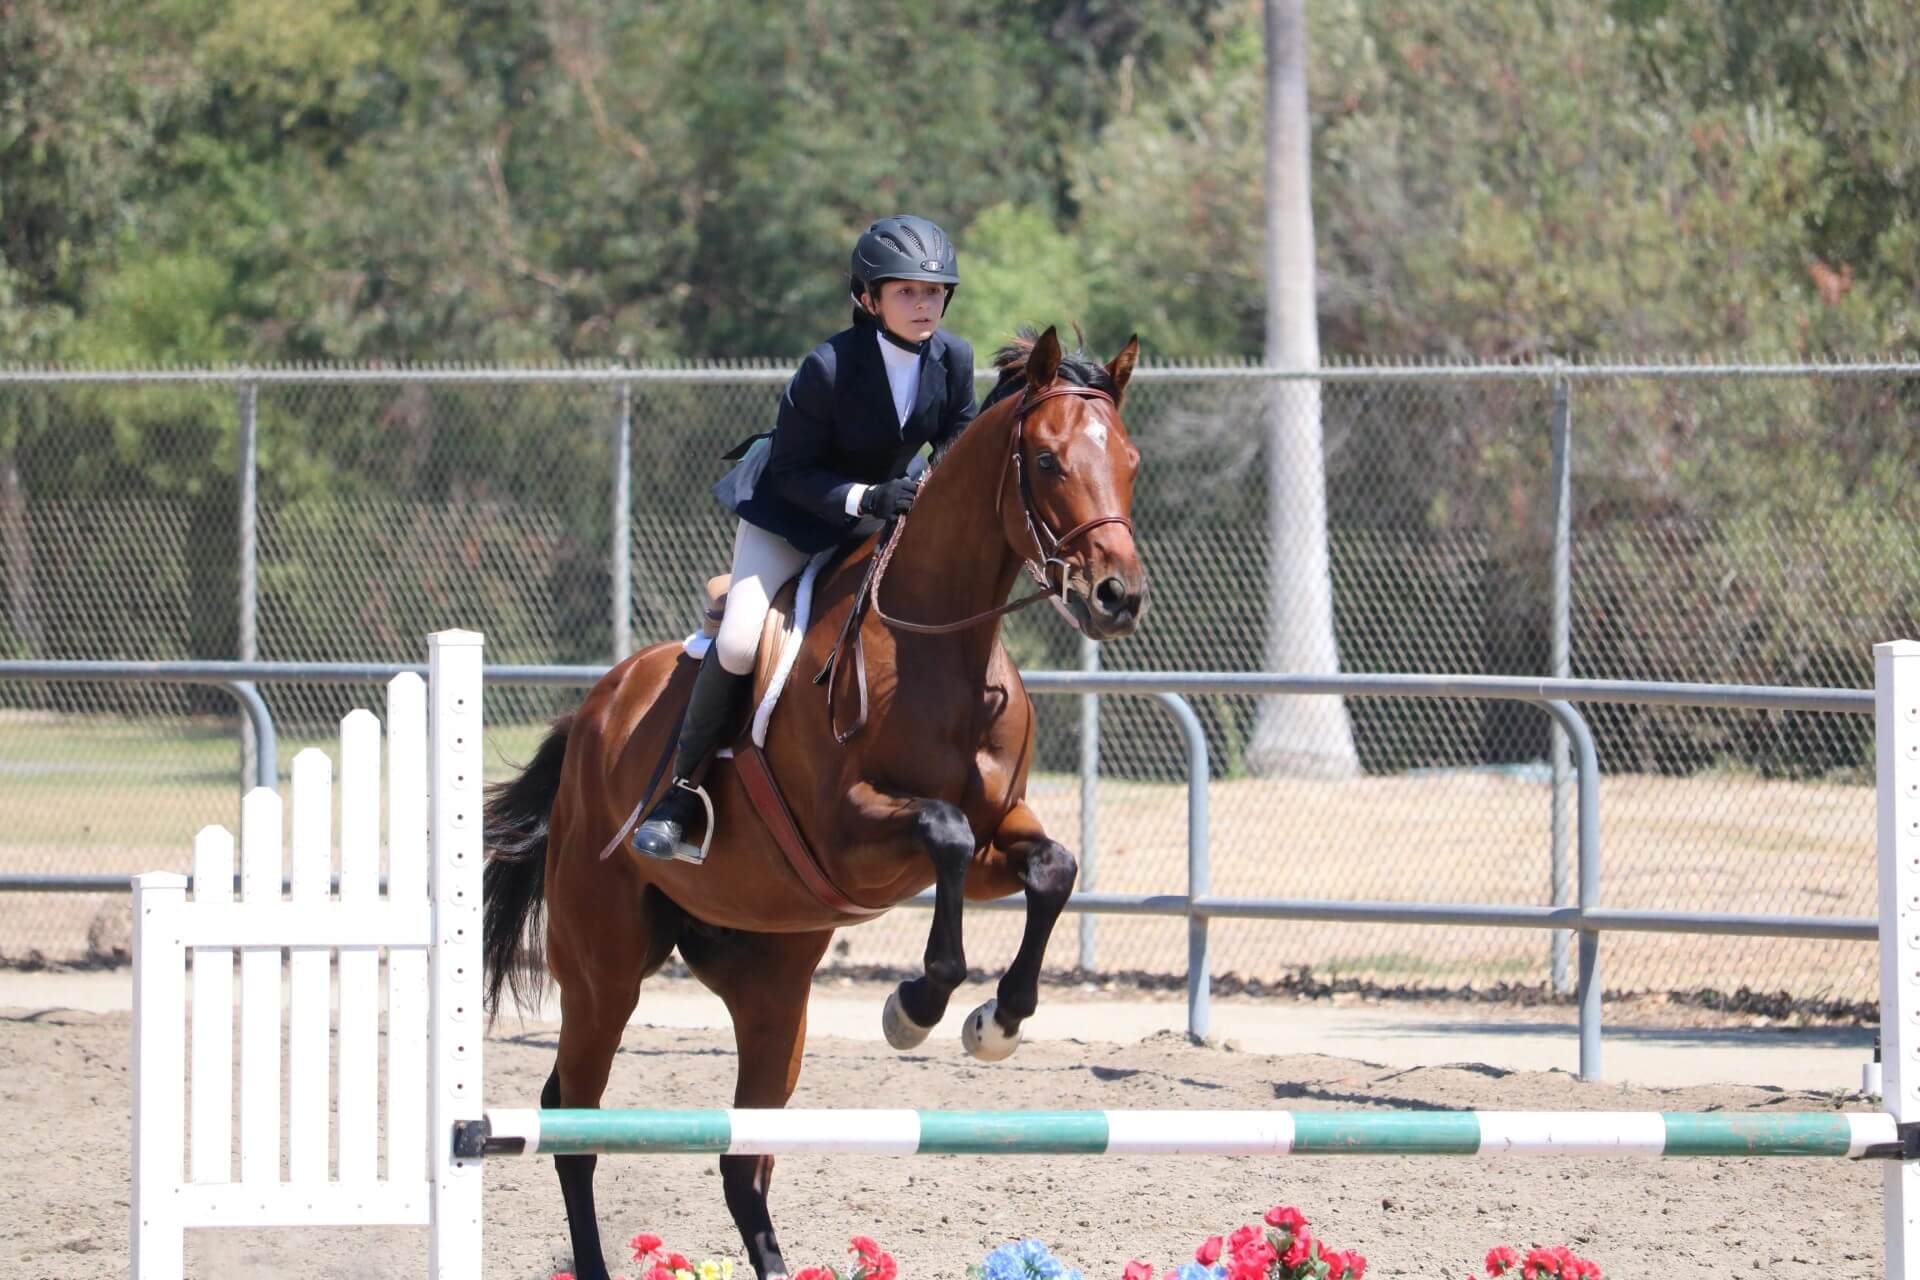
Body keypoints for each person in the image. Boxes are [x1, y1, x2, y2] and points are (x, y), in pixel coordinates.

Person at [632, 214, 979, 863]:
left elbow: (958, 434)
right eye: (905, 291)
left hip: (880, 518)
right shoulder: (827, 366)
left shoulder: (953, 359)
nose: (923, 304)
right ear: (868, 299)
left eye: (933, 292)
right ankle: (681, 795)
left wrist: (928, 485)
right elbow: (792, 471)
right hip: (792, 515)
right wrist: (865, 497)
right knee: (738, 641)